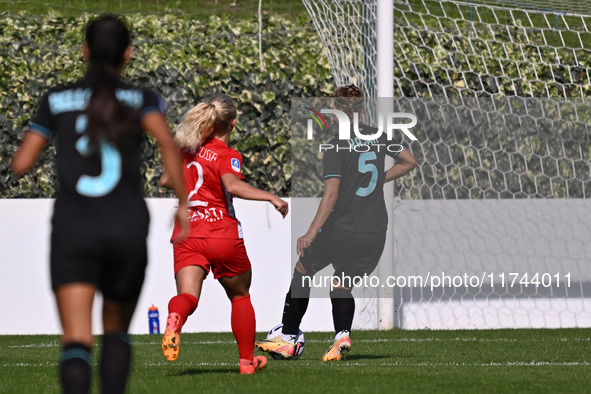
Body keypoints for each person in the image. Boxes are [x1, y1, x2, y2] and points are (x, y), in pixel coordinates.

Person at [11, 15, 188, 394]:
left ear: (84, 50)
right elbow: (168, 145)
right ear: (128, 53)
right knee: (116, 334)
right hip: (126, 227)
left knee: (76, 339)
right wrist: (183, 203)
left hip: (74, 228)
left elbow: (22, 164)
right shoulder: (143, 100)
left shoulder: (56, 99)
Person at [255, 84, 418, 361]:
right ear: (363, 110)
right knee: (341, 284)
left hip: (343, 228)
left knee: (303, 268)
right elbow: (409, 161)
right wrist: (378, 179)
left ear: (337, 111)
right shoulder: (379, 136)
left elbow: (331, 194)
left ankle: (289, 338)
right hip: (375, 232)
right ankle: (341, 335)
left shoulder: (336, 144)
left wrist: (310, 232)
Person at [159, 94, 289, 374]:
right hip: (221, 233)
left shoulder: (188, 150)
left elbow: (166, 180)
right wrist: (271, 197)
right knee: (240, 296)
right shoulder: (227, 155)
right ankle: (246, 363)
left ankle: (175, 318)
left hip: (188, 233)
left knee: (188, 296)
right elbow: (232, 186)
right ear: (232, 123)